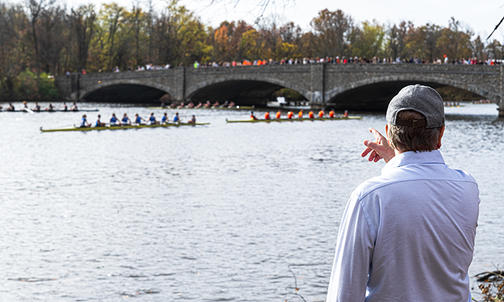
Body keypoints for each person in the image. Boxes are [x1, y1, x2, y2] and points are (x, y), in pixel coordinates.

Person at [326, 85, 479, 302]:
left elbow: (345, 294)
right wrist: (395, 160)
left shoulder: (369, 198)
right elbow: (419, 189)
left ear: (388, 132)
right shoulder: (468, 187)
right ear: (441, 134)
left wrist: (395, 161)